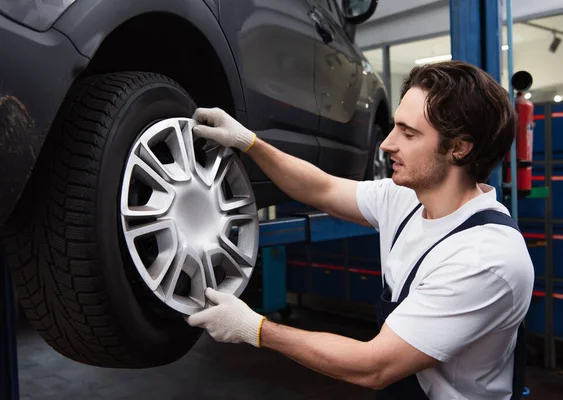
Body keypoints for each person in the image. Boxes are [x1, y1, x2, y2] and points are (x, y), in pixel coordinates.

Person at [185, 60, 535, 400]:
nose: (387, 144)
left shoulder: (485, 259)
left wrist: (256, 329)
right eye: (395, 126)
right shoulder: (406, 199)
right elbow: (321, 188)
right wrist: (249, 143)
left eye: (409, 133)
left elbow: (373, 367)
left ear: (459, 148)